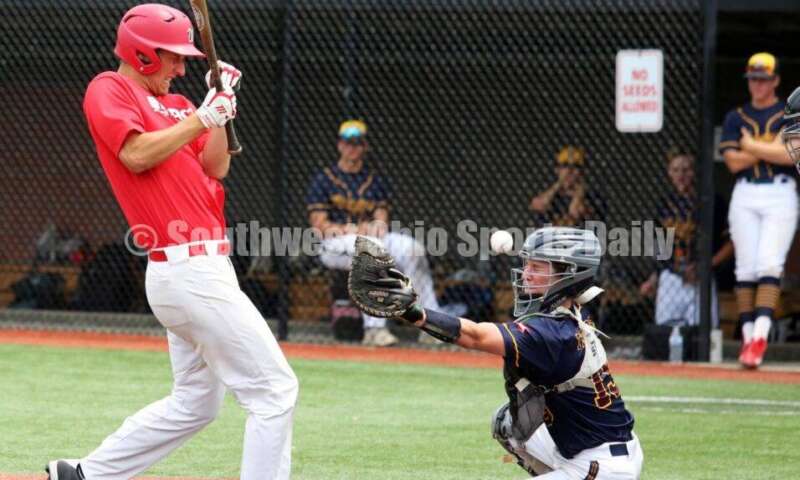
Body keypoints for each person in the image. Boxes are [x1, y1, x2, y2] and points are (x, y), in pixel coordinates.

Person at [47, 5, 298, 480]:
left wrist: (217, 106)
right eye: (174, 58)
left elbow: (216, 166)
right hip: (187, 271)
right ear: (142, 55)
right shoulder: (110, 88)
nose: (183, 68)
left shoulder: (181, 106)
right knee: (274, 392)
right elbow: (135, 153)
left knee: (196, 403)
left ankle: (84, 474)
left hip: (203, 269)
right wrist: (203, 117)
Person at [348, 227, 643, 479]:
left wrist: (415, 314)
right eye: (526, 264)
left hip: (601, 468)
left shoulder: (552, 335)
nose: (525, 274)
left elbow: (474, 336)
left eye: (537, 268)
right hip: (598, 448)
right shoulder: (571, 310)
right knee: (508, 423)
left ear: (569, 275)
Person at [306, 119, 451, 347]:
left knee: (412, 249)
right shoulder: (323, 180)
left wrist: (371, 228)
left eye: (356, 143)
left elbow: (381, 222)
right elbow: (321, 227)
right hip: (334, 245)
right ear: (339, 145)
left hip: (371, 238)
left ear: (365, 146)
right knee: (372, 250)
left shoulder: (375, 180)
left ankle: (431, 325)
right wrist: (355, 229)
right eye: (347, 143)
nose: (351, 148)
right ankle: (374, 329)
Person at [719, 52, 798, 369]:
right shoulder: (735, 116)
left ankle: (760, 338)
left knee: (769, 262)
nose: (758, 84)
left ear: (776, 80)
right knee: (745, 268)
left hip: (780, 191)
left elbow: (790, 156)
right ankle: (749, 340)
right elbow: (733, 162)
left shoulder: (788, 111)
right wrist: (767, 150)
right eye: (753, 78)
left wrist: (751, 146)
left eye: (764, 78)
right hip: (745, 192)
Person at [639, 149, 733, 328]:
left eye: (686, 169)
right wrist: (653, 279)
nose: (681, 175)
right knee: (666, 334)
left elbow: (731, 243)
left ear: (695, 171)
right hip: (671, 279)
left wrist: (707, 265)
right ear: (669, 173)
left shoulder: (713, 201)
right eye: (675, 170)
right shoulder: (664, 204)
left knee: (702, 334)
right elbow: (661, 248)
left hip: (701, 277)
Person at [530, 146, 607, 228]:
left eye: (576, 166)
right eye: (565, 165)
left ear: (582, 171)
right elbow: (538, 206)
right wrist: (558, 184)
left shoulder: (593, 197)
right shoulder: (549, 193)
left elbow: (575, 212)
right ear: (557, 169)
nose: (570, 170)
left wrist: (580, 191)